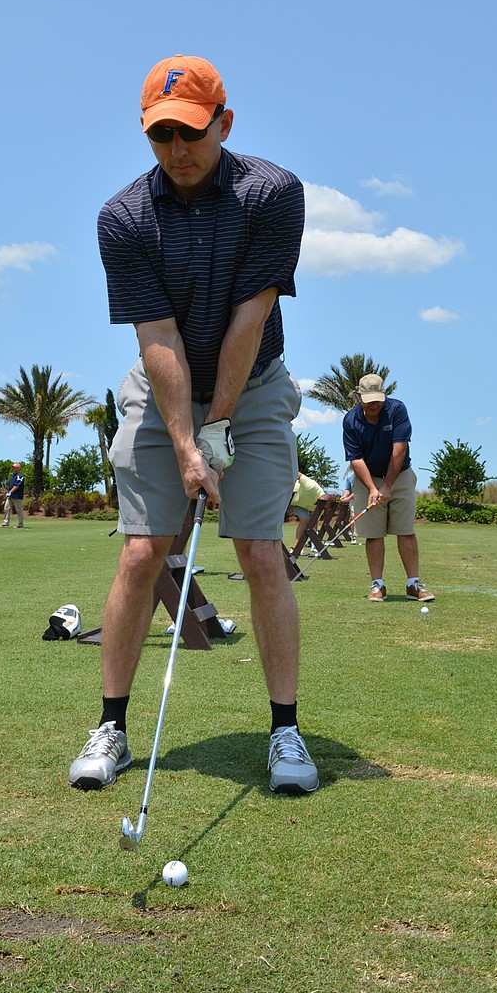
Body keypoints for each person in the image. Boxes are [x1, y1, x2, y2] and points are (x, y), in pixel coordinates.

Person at [69, 53, 318, 797]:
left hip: (259, 382)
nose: (177, 152)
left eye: (191, 134)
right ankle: (110, 725)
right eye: (160, 137)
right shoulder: (123, 217)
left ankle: (285, 731)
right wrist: (187, 443)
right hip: (161, 385)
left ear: (224, 123)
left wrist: (221, 427)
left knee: (259, 551)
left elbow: (250, 318)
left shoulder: (273, 194)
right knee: (143, 550)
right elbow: (159, 337)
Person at [342, 373, 435, 603]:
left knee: (405, 531)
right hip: (367, 478)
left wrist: (388, 485)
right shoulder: (350, 420)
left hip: (400, 476)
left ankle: (413, 584)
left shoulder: (397, 410)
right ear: (358, 396)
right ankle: (378, 585)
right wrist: (374, 488)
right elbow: (356, 458)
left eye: (378, 399)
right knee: (373, 535)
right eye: (369, 400)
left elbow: (399, 448)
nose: (374, 405)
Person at [289, 471, 326, 546]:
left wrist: (314, 536)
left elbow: (314, 521)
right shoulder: (312, 486)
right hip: (288, 495)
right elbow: (296, 473)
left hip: (298, 504)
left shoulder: (322, 507)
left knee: (305, 519)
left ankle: (296, 548)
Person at [1, 463, 24, 528]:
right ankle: (6, 523)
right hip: (10, 495)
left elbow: (17, 486)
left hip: (17, 496)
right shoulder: (13, 476)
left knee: (18, 510)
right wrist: (9, 493)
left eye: (15, 467)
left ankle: (20, 524)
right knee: (6, 508)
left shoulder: (20, 476)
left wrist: (10, 492)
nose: (13, 468)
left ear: (18, 468)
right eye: (13, 467)